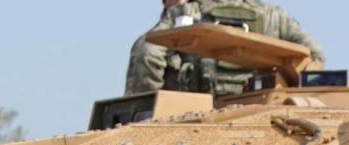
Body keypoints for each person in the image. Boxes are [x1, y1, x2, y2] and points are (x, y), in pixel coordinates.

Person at [125, 1, 325, 99]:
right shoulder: (275, 18)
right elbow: (314, 59)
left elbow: (148, 53)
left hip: (190, 118)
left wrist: (148, 110)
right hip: (261, 114)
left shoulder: (187, 12)